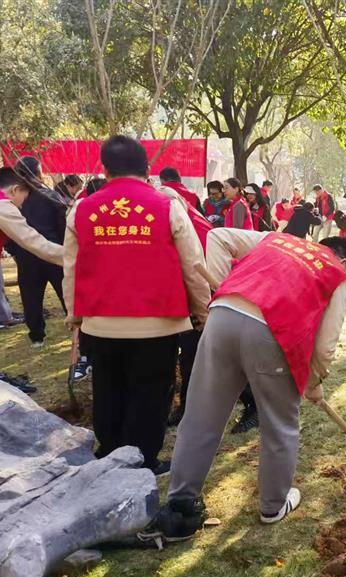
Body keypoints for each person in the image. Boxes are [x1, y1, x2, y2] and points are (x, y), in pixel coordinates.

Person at [139, 232, 346, 540]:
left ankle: (181, 506)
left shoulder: (277, 239)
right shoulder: (340, 275)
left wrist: (222, 285)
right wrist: (314, 380)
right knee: (280, 423)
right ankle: (273, 505)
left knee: (202, 416)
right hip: (272, 333)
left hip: (222, 315)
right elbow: (325, 348)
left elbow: (217, 236)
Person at [63, 135, 211, 475]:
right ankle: (143, 459)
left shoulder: (82, 209)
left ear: (104, 168)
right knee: (151, 392)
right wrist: (201, 311)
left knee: (108, 387)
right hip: (157, 325)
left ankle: (111, 453)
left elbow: (70, 266)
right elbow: (194, 264)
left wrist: (75, 315)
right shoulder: (167, 205)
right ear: (147, 168)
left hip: (100, 323)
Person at [0, 167, 64, 379]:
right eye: (22, 199)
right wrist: (73, 257)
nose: (21, 206)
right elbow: (34, 242)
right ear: (15, 190)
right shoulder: (1, 205)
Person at [157, 185, 213, 426]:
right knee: (186, 357)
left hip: (201, 298)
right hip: (176, 302)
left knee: (198, 355)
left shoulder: (196, 227)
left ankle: (189, 409)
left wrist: (202, 311)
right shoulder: (168, 220)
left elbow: (197, 270)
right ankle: (183, 407)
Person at [8, 157, 68, 349]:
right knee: (65, 291)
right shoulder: (50, 195)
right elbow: (63, 225)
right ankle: (75, 324)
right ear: (39, 172)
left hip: (26, 254)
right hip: (53, 251)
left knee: (31, 297)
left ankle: (36, 336)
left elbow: (6, 230)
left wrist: (15, 250)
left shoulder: (13, 199)